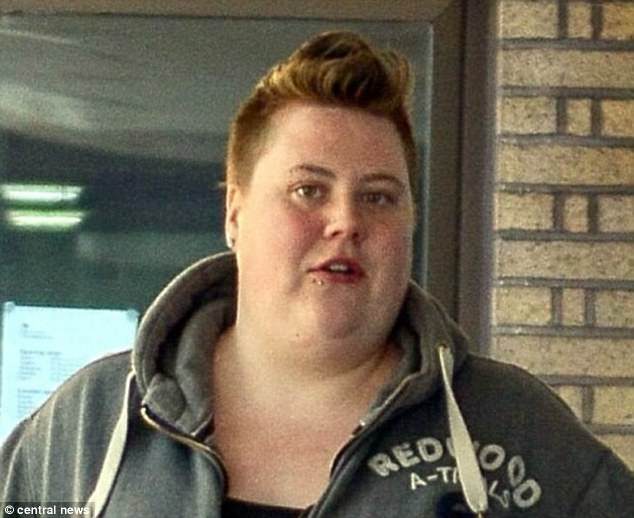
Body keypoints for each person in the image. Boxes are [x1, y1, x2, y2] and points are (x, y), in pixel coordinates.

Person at [1, 31, 633, 518]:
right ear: (235, 213)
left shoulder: (514, 432)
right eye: (309, 190)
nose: (346, 222)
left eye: (379, 196)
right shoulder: (89, 426)